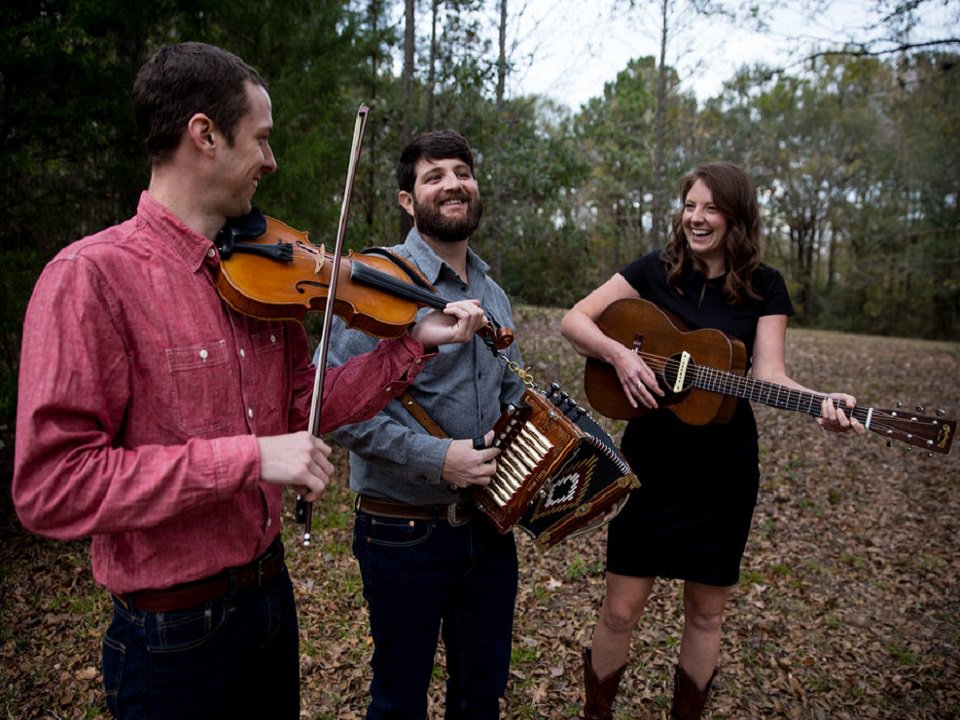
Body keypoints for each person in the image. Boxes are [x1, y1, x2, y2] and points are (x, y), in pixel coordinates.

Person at [12, 42, 489, 720]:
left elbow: (306, 403)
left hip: (269, 602)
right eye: (260, 139)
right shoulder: (90, 279)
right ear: (204, 135)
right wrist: (252, 457)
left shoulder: (258, 277)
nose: (270, 160)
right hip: (172, 639)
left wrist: (407, 345)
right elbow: (53, 486)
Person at [560, 161, 865, 720]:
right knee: (621, 610)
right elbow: (575, 320)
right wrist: (621, 355)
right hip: (650, 458)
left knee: (705, 614)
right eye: (690, 205)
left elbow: (770, 375)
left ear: (736, 217)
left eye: (711, 208)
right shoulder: (653, 271)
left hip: (723, 468)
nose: (696, 218)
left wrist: (821, 402)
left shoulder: (764, 286)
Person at [324, 129, 527, 719]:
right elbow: (337, 408)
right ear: (408, 201)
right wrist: (440, 460)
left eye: (461, 172)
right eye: (433, 176)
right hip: (401, 532)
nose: (452, 184)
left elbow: (511, 392)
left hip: (491, 530)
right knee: (397, 702)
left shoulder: (493, 292)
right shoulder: (373, 283)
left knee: (480, 695)